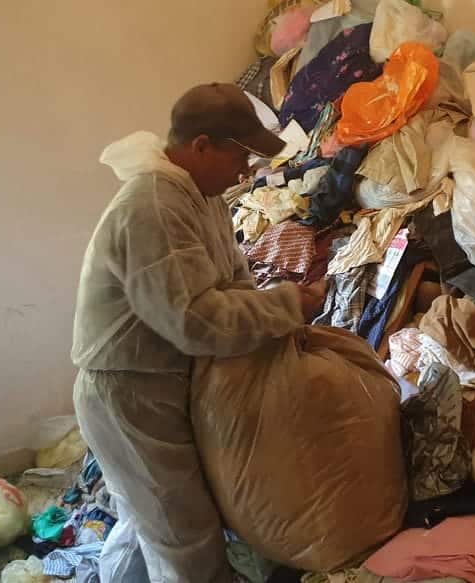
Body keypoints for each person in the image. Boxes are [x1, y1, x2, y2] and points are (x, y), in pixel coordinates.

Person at [70, 83, 325, 583]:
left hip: (160, 382)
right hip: (129, 389)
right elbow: (194, 320)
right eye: (240, 156)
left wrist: (275, 314)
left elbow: (233, 282)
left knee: (153, 518)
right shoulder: (154, 206)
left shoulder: (202, 197)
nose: (245, 171)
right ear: (202, 146)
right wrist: (288, 305)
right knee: (182, 533)